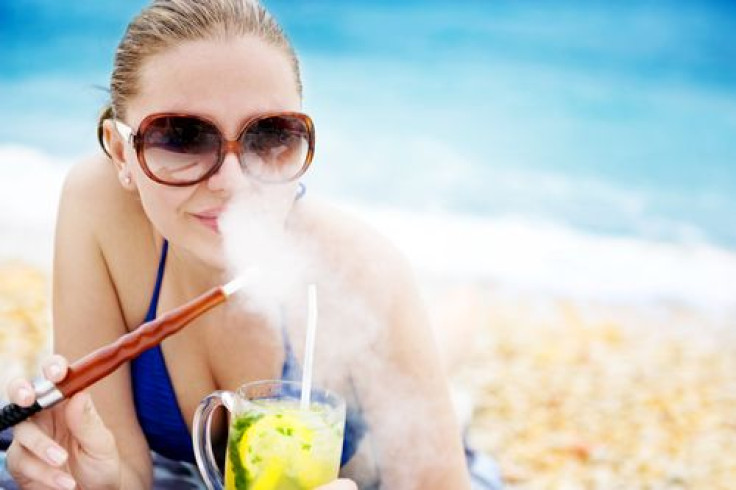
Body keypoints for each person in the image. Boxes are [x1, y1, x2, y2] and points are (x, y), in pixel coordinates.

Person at [0, 1, 502, 488]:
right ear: (119, 151)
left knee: (434, 357)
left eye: (269, 135)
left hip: (360, 470)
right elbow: (124, 478)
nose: (232, 183)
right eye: (181, 137)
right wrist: (91, 481)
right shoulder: (96, 202)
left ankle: (462, 314)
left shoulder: (364, 269)